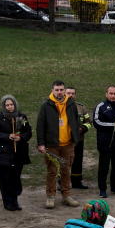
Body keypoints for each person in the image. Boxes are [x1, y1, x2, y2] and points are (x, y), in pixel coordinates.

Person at [35, 80, 81, 209]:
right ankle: (50, 196)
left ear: (64, 90)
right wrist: (41, 143)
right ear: (52, 90)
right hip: (52, 145)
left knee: (66, 170)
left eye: (61, 90)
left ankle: (66, 196)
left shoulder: (71, 103)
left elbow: (76, 121)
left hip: (68, 144)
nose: (59, 92)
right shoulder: (46, 105)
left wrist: (75, 137)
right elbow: (40, 126)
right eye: (57, 90)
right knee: (52, 171)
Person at [65, 86, 90, 190]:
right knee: (64, 162)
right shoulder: (60, 106)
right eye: (68, 93)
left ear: (75, 95)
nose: (70, 95)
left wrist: (82, 129)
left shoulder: (82, 107)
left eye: (72, 93)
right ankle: (61, 182)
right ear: (65, 94)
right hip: (64, 140)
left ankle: (76, 182)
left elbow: (88, 122)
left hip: (78, 140)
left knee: (77, 161)